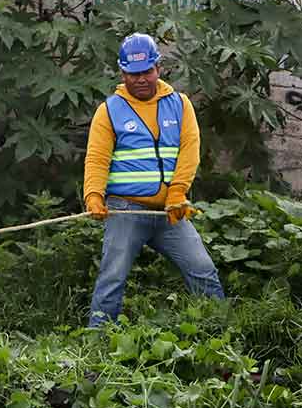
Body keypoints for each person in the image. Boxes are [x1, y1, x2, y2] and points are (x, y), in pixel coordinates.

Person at [82, 33, 225, 327]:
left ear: (158, 67)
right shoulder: (108, 111)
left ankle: (221, 338)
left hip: (170, 212)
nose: (141, 79)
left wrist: (178, 193)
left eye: (147, 71)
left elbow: (189, 151)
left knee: (203, 270)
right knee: (112, 278)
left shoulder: (180, 104)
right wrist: (93, 196)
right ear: (123, 74)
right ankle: (96, 349)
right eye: (134, 74)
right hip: (125, 210)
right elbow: (97, 158)